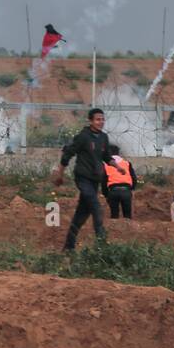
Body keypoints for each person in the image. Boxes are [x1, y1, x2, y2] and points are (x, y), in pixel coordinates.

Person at [55, 107, 113, 251]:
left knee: (81, 214)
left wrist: (118, 166)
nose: (101, 122)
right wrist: (60, 174)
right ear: (91, 121)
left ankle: (68, 247)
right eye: (98, 119)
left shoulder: (104, 138)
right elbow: (68, 154)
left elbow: (107, 157)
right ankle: (102, 247)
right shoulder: (83, 136)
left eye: (102, 119)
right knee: (96, 207)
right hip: (82, 178)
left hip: (95, 181)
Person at [102, 144, 137, 220]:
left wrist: (106, 194)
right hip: (126, 191)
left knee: (114, 216)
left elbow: (103, 181)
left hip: (113, 191)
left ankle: (115, 230)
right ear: (118, 153)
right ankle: (128, 229)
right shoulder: (127, 163)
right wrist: (132, 189)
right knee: (127, 216)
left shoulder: (105, 165)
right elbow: (134, 178)